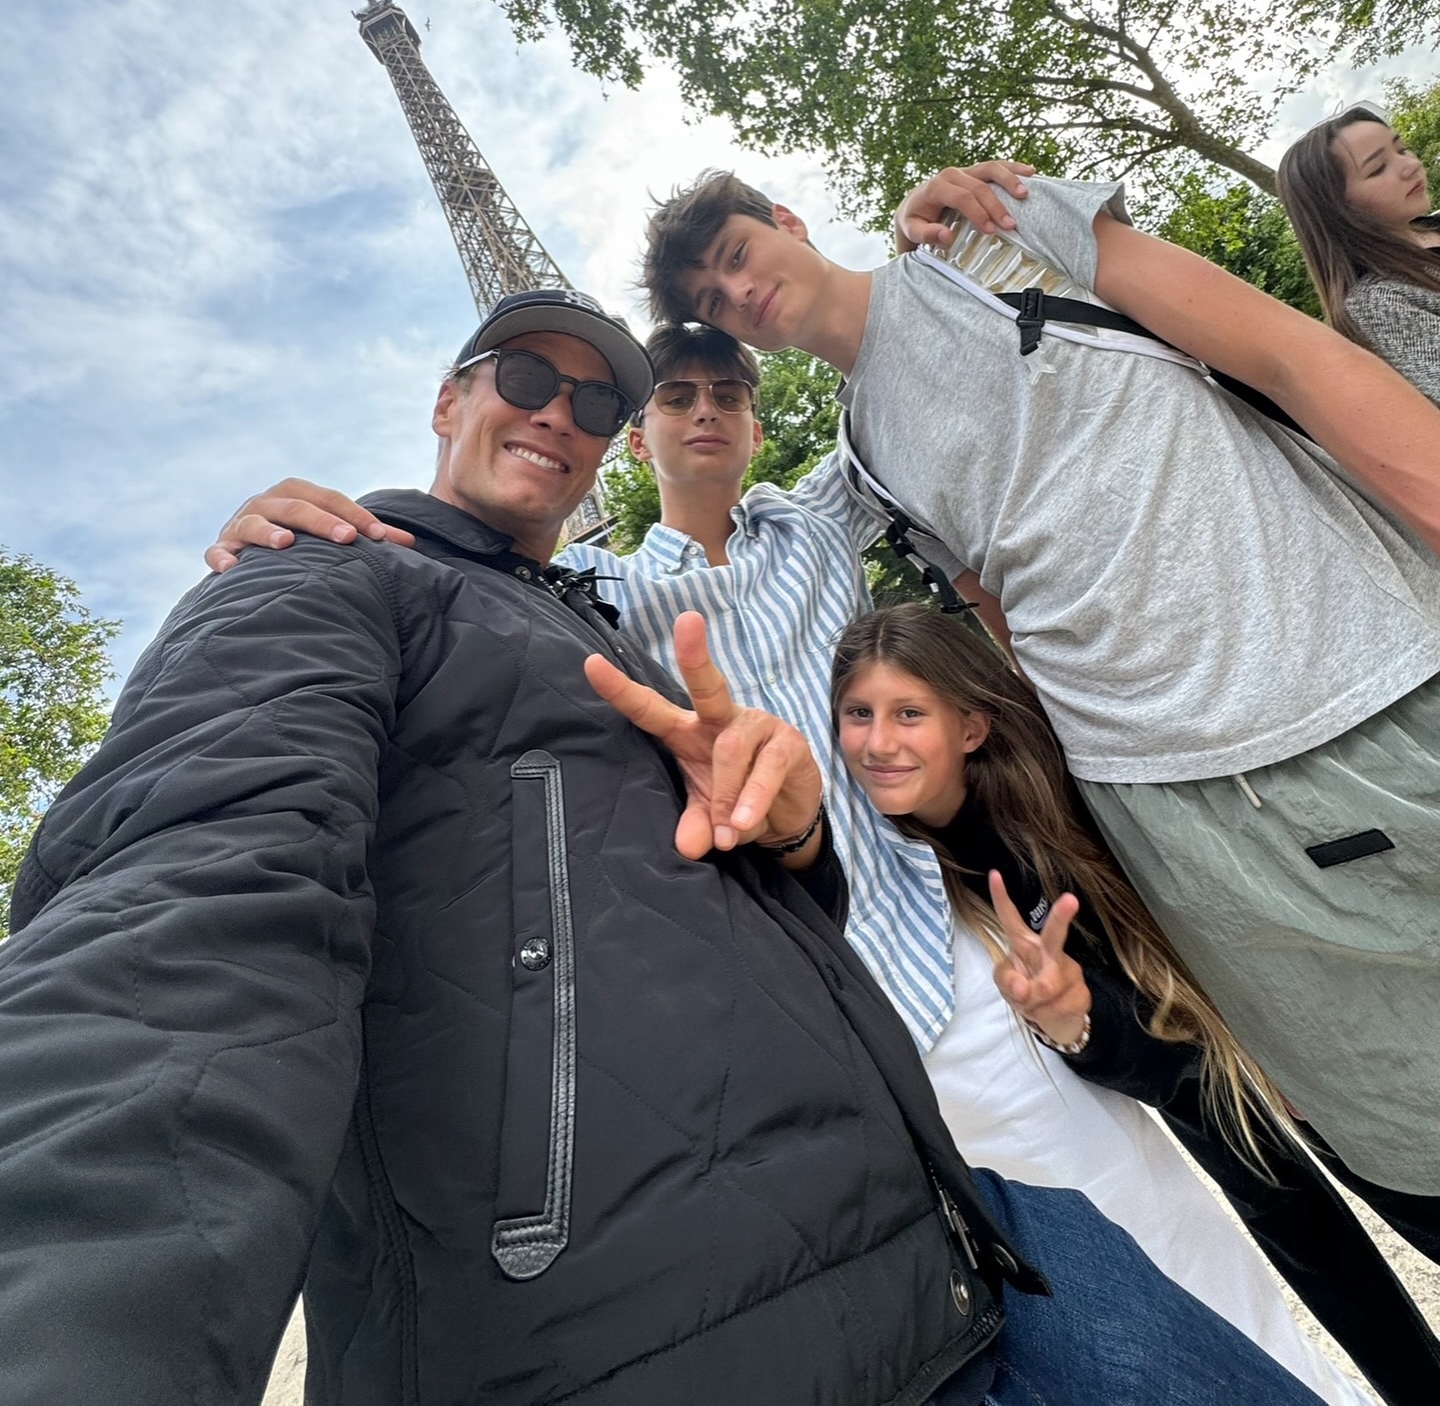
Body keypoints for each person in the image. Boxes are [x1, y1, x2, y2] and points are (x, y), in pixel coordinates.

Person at [0, 287, 1340, 1406]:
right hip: (682, 1336)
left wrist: (798, 836)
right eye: (526, 374)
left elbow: (664, 912)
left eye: (591, 400)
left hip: (966, 1237)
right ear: (445, 400)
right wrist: (75, 1329)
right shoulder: (330, 576)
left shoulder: (603, 629)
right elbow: (192, 910)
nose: (559, 413)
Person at [641, 162, 1440, 1235]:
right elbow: (1003, 623)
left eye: (735, 257)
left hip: (1365, 680)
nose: (733, 295)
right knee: (1395, 1140)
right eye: (707, 302)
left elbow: (1288, 352)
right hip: (1173, 812)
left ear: (787, 220)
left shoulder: (990, 239)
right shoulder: (863, 463)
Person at [830, 602, 1423, 1406]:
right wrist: (1076, 1019)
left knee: (1409, 1196)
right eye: (857, 714)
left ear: (971, 726)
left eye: (908, 713)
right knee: (1344, 1286)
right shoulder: (915, 871)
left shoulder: (1059, 803)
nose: (877, 741)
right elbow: (1143, 1050)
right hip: (1198, 1083)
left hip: (1276, 1032)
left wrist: (1250, 1044)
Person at [1277, 104, 1440, 401]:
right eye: (1377, 168)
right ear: (1338, 208)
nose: (1410, 165)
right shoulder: (1378, 302)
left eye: (1402, 149)